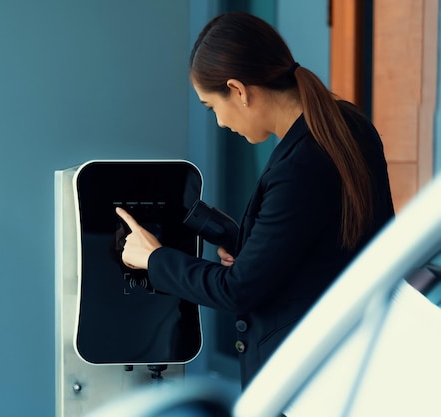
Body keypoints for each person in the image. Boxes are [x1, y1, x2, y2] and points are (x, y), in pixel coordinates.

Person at [115, 11, 394, 389]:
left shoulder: (300, 165)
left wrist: (154, 259)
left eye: (212, 107)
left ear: (239, 90)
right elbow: (327, 246)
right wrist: (248, 244)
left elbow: (237, 289)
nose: (220, 123)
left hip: (304, 378)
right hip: (354, 359)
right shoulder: (349, 126)